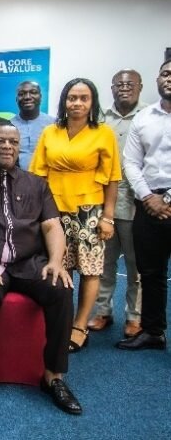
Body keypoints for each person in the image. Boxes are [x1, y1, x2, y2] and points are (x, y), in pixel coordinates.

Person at [0, 124, 81, 415]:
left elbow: (52, 226)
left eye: (13, 141)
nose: (7, 145)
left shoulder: (37, 184)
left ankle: (54, 376)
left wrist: (56, 261)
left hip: (28, 262)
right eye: (0, 141)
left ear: (19, 145)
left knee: (61, 289)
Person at [29, 78, 121, 353]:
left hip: (89, 211)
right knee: (61, 267)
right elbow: (38, 174)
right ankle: (62, 320)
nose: (77, 103)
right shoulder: (50, 132)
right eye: (72, 98)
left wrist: (108, 217)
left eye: (83, 98)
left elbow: (113, 179)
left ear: (92, 102)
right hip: (54, 210)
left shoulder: (103, 133)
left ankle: (80, 326)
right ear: (64, 101)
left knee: (90, 270)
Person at [118, 59, 171, 351]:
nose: (169, 78)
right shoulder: (144, 117)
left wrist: (167, 199)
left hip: (165, 201)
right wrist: (149, 197)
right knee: (150, 272)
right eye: (165, 73)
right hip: (148, 203)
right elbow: (131, 162)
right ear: (157, 79)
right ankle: (153, 331)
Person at [89, 69, 146, 337]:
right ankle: (103, 312)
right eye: (119, 84)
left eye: (130, 84)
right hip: (103, 203)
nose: (124, 88)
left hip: (137, 203)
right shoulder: (99, 118)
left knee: (136, 266)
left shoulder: (149, 115)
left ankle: (134, 317)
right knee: (103, 263)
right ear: (111, 88)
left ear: (140, 86)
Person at [9, 81, 55, 169]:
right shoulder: (9, 125)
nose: (27, 97)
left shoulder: (54, 124)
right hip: (16, 180)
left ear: (40, 97)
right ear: (16, 100)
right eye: (22, 94)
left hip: (46, 179)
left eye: (33, 92)